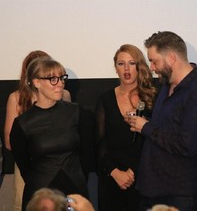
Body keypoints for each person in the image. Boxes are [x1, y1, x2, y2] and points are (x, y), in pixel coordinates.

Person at [127, 31, 197, 211]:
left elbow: (188, 145)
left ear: (171, 58)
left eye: (154, 61)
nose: (152, 68)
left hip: (181, 192)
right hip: (154, 187)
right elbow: (168, 129)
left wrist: (145, 127)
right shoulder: (166, 85)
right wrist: (142, 122)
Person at [10, 56, 90, 210]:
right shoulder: (22, 124)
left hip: (76, 192)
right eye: (53, 79)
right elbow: (24, 164)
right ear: (36, 82)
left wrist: (79, 178)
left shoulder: (77, 113)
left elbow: (87, 153)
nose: (60, 84)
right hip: (40, 196)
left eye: (61, 78)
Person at [4, 50, 71, 211]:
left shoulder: (64, 95)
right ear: (32, 78)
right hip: (29, 167)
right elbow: (9, 141)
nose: (57, 83)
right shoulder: (17, 98)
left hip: (60, 167)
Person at [95, 44, 157, 211]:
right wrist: (114, 172)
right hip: (112, 179)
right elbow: (99, 142)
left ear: (139, 66)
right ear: (116, 68)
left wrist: (133, 171)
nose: (126, 69)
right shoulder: (105, 99)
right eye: (121, 64)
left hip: (144, 179)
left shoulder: (152, 97)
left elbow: (156, 140)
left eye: (131, 63)